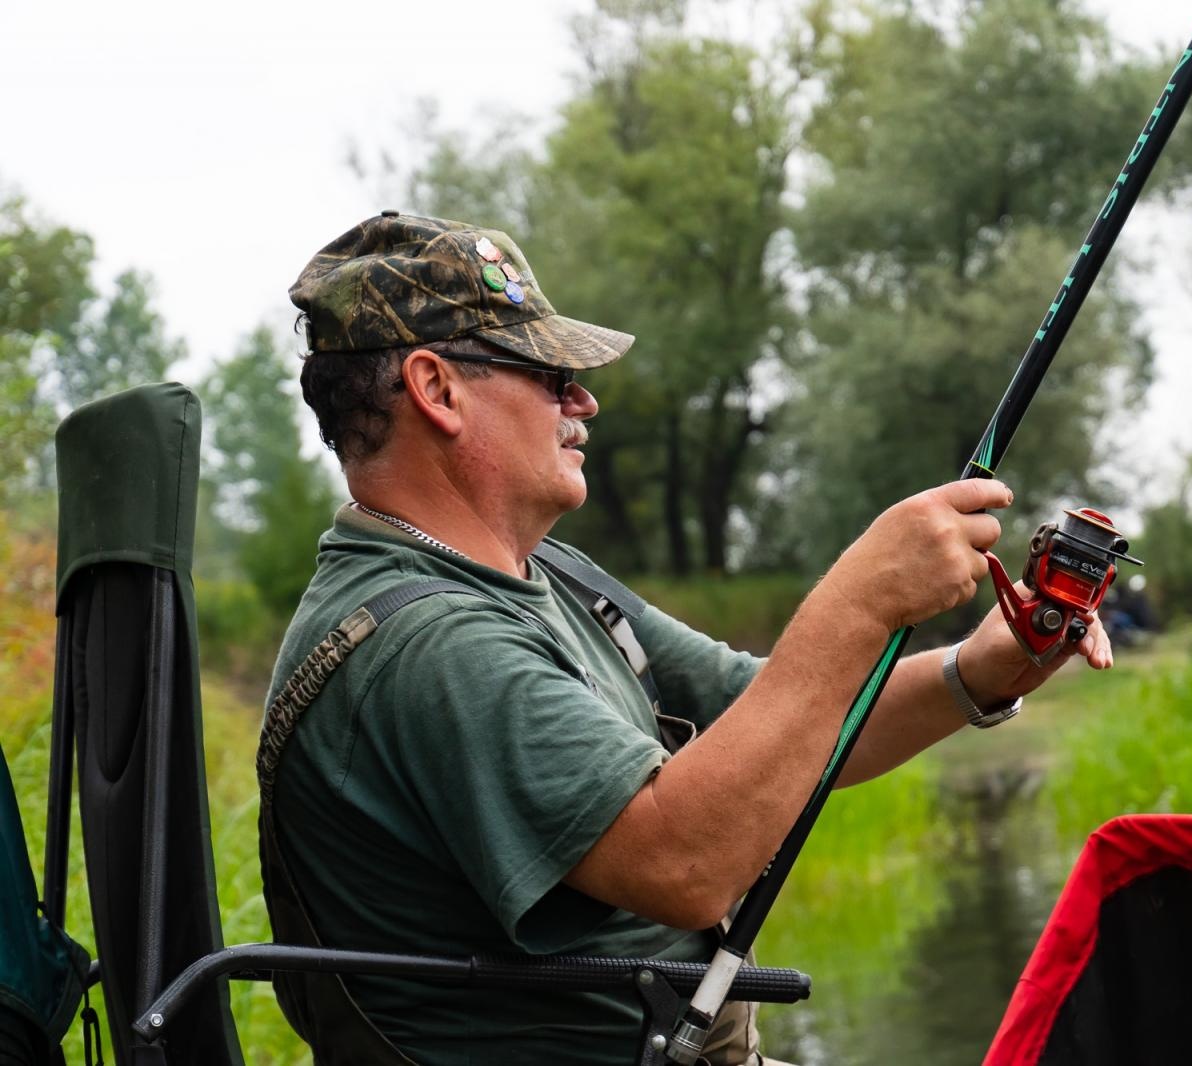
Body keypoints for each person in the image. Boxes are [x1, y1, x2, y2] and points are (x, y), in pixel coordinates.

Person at [262, 212, 1113, 1066]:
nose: (582, 399)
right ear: (436, 389)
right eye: (548, 372)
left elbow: (776, 717)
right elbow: (686, 863)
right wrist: (859, 603)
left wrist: (983, 666)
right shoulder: (428, 644)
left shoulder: (541, 574)